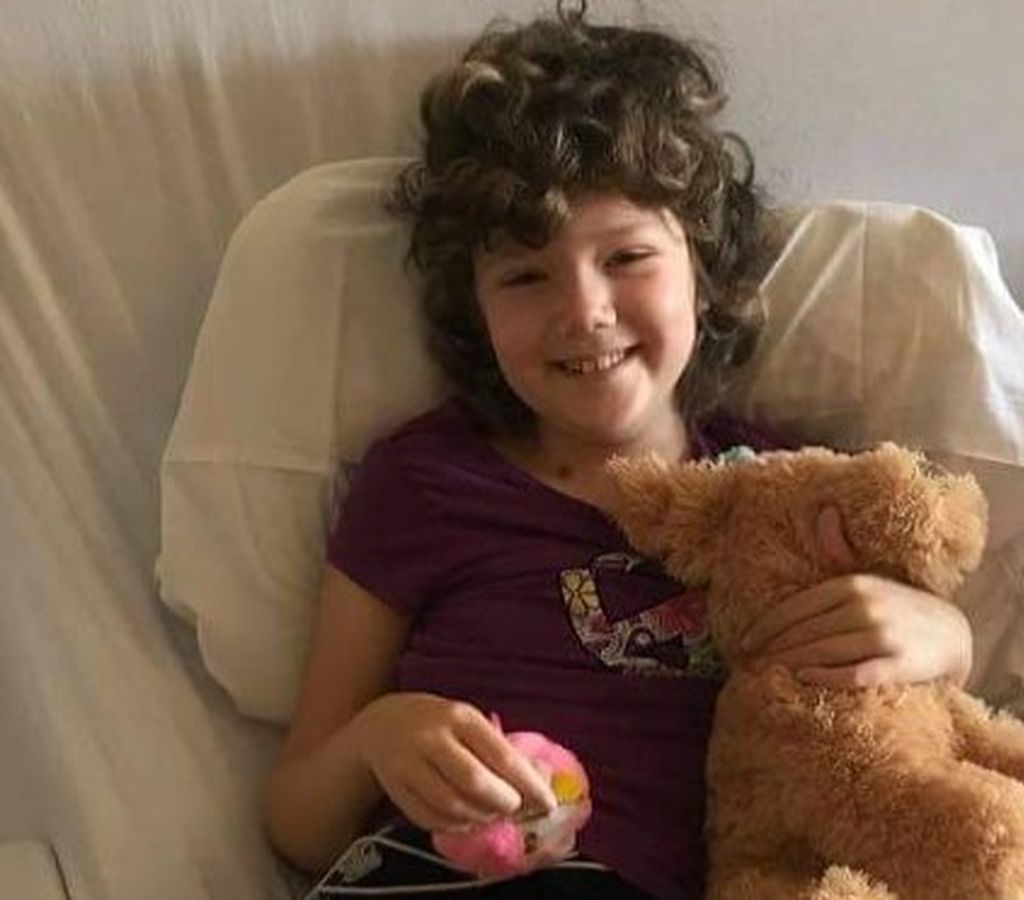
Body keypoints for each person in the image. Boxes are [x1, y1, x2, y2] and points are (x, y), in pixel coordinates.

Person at [262, 3, 973, 898]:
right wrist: (380, 737)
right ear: (474, 312)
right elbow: (296, 822)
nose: (584, 311)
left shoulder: (794, 495)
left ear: (702, 268)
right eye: (525, 275)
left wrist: (948, 638)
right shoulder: (425, 481)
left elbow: (910, 744)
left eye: (627, 257)